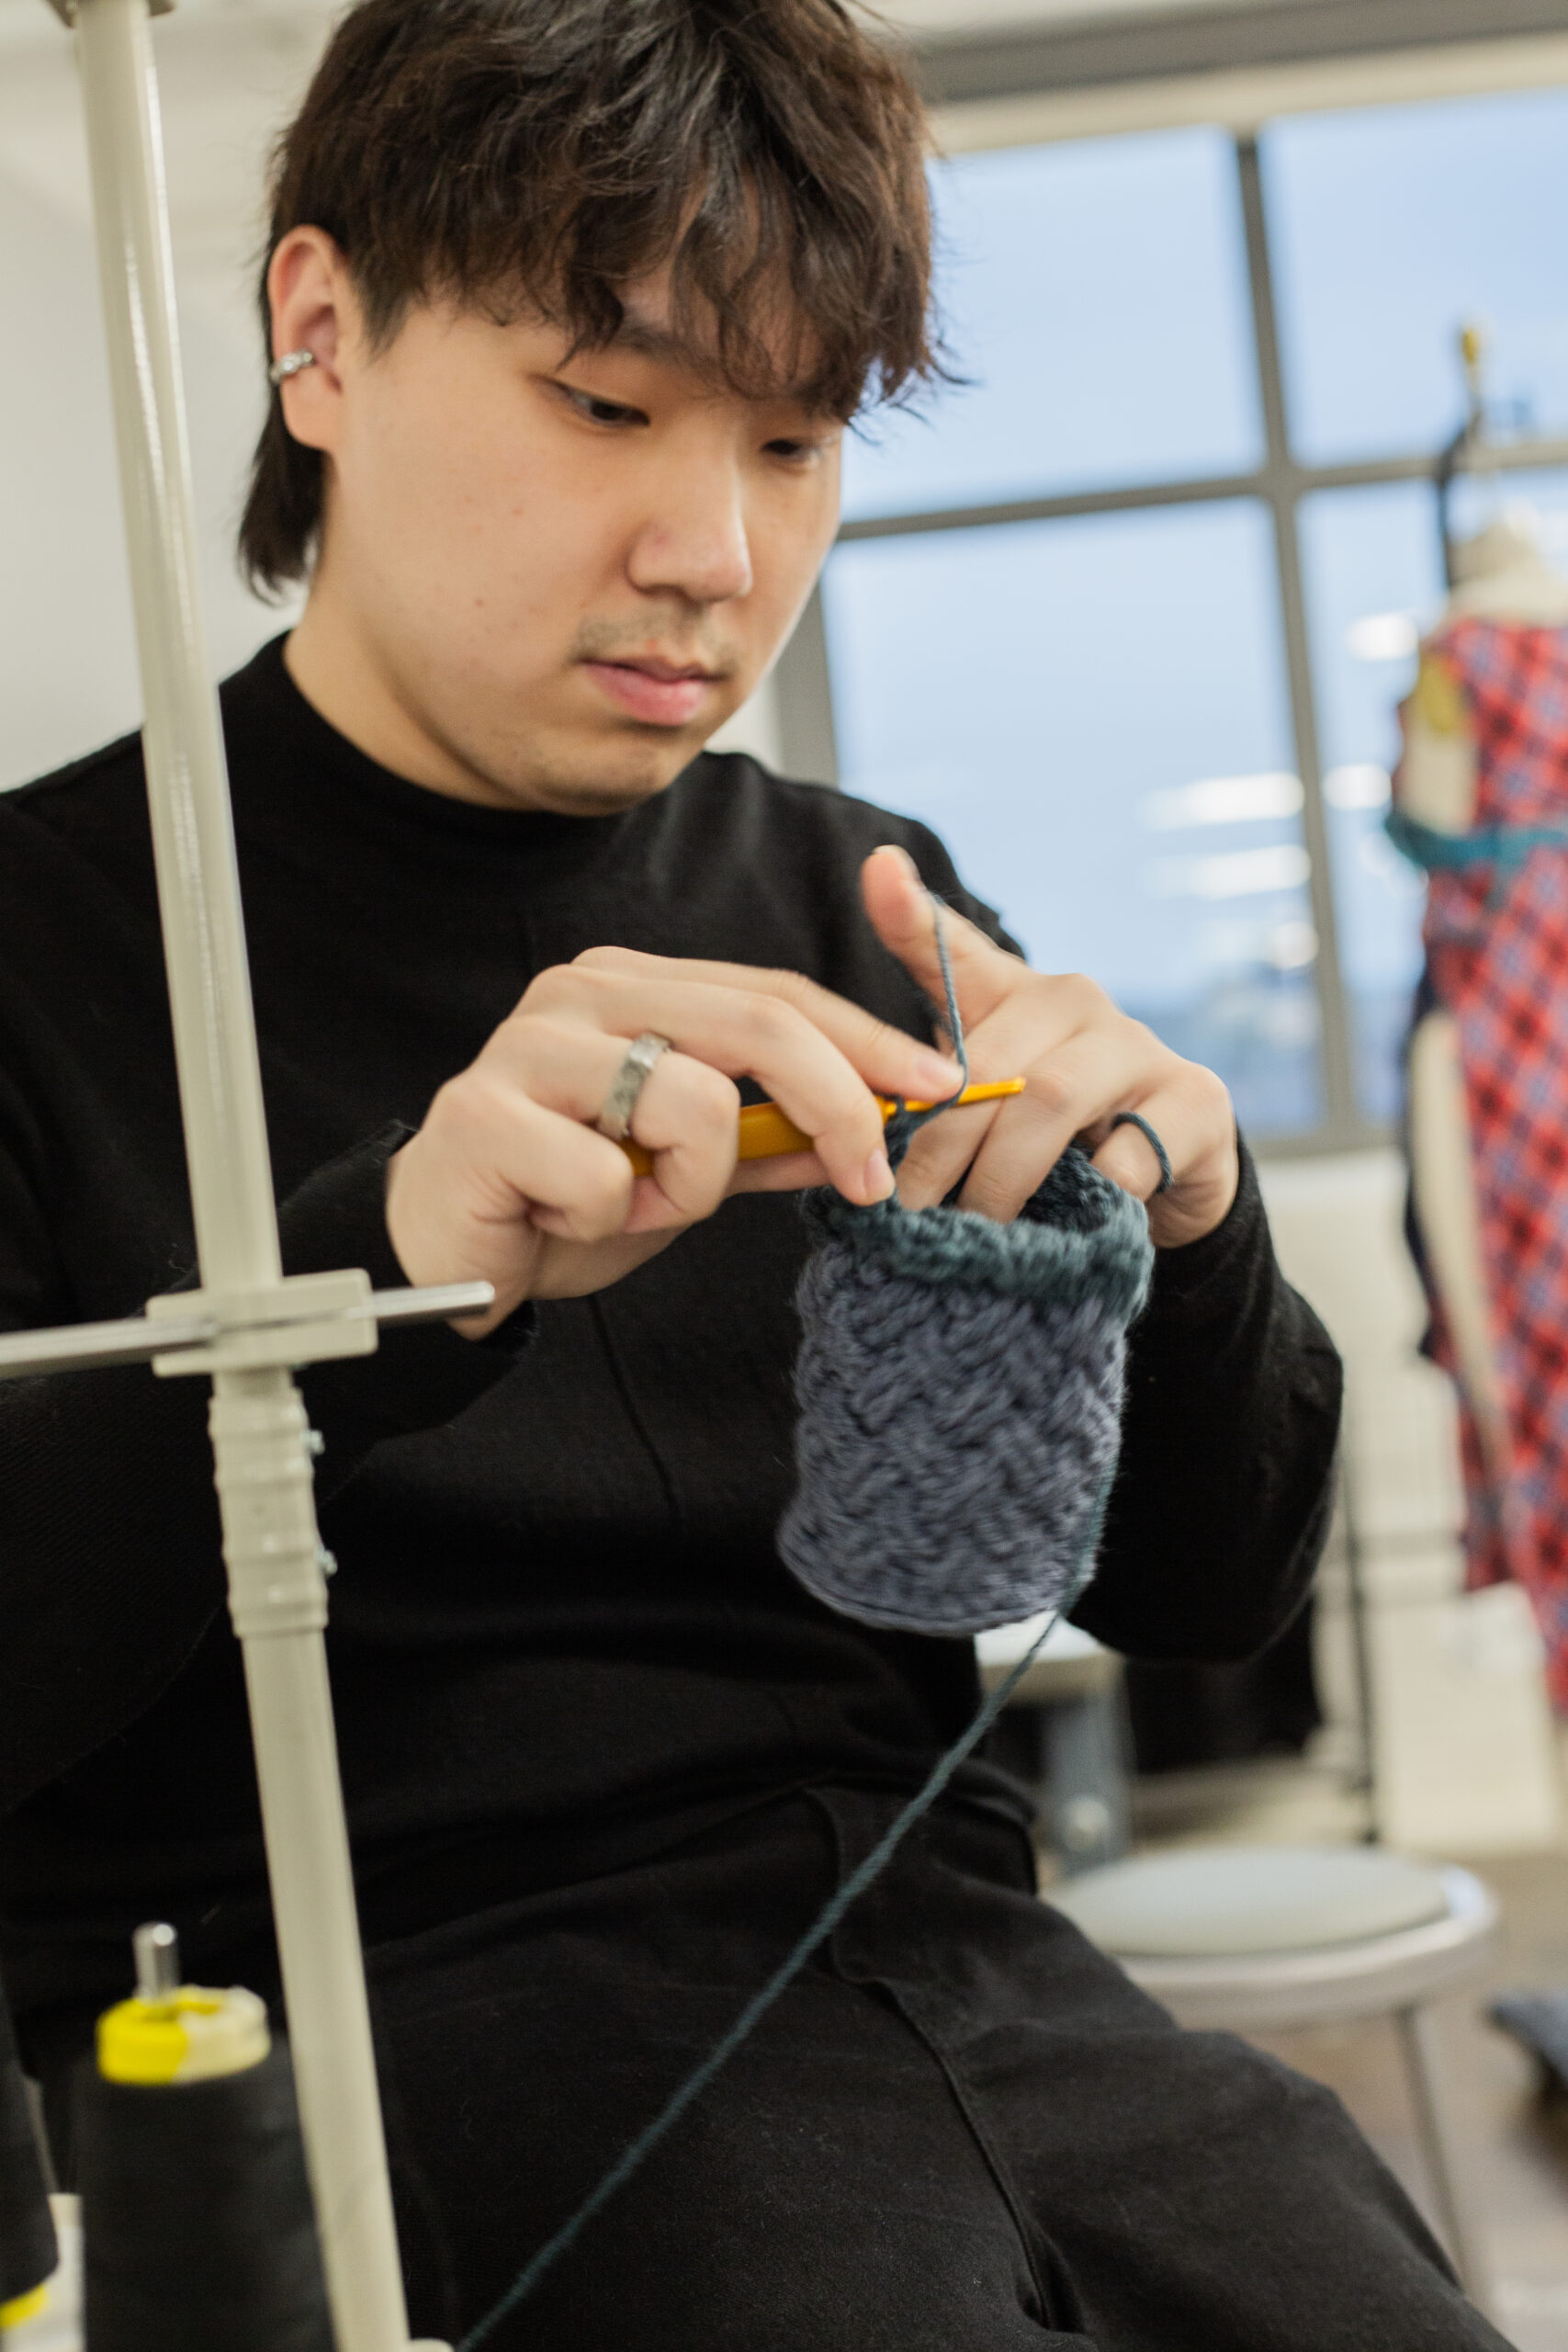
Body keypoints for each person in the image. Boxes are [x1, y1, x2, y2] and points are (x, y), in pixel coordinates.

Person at [0, 4, 1502, 2345]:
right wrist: (377, 1268)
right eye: (604, 404)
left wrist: (1191, 1240)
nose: (713, 550)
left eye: (793, 441)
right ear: (321, 334)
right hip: (396, 2054)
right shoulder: (52, 944)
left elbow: (1201, 1593)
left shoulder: (854, 896)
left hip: (973, 1977)